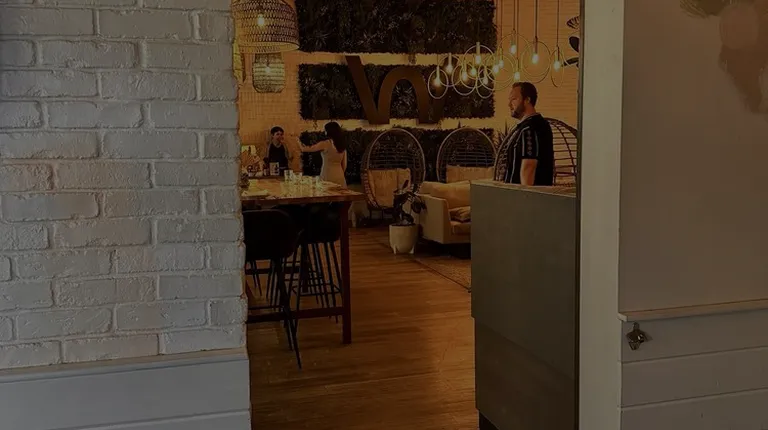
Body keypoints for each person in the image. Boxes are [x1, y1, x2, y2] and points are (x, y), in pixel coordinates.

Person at [503, 82, 555, 186]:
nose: (509, 104)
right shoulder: (537, 124)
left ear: (527, 100)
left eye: (514, 99)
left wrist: (525, 195)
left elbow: (529, 167)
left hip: (522, 194)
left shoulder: (530, 128)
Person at [300, 121, 348, 187]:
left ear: (329, 131)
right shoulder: (342, 146)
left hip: (327, 175)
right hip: (340, 176)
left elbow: (308, 149)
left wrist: (297, 142)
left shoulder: (325, 144)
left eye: (325, 130)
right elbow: (344, 165)